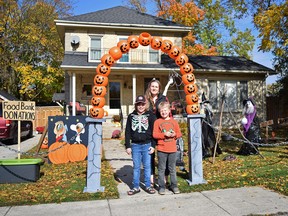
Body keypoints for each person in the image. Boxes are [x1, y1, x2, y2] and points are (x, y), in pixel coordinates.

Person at [124, 95, 156, 195]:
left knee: (147, 166)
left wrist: (153, 145)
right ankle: (136, 186)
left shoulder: (150, 116)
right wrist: (128, 146)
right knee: (136, 167)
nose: (141, 106)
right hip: (135, 145)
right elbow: (127, 132)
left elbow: (154, 131)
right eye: (139, 104)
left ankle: (147, 185)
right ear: (136, 105)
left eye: (142, 104)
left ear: (145, 105)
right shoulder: (131, 116)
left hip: (147, 144)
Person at [145, 78, 172, 187]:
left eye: (156, 86)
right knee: (150, 155)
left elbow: (168, 113)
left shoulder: (163, 98)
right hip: (149, 131)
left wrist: (171, 126)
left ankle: (164, 179)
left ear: (159, 88)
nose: (154, 88)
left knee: (164, 155)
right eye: (152, 86)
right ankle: (151, 178)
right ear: (149, 88)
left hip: (162, 129)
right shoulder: (146, 99)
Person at [153, 101, 182, 195]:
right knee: (161, 169)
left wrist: (175, 134)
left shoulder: (174, 122)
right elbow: (155, 134)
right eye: (161, 111)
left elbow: (179, 133)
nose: (163, 112)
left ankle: (174, 185)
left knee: (172, 169)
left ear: (169, 110)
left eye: (165, 110)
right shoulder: (157, 122)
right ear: (159, 112)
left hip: (172, 149)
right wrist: (164, 134)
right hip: (162, 149)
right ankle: (162, 186)